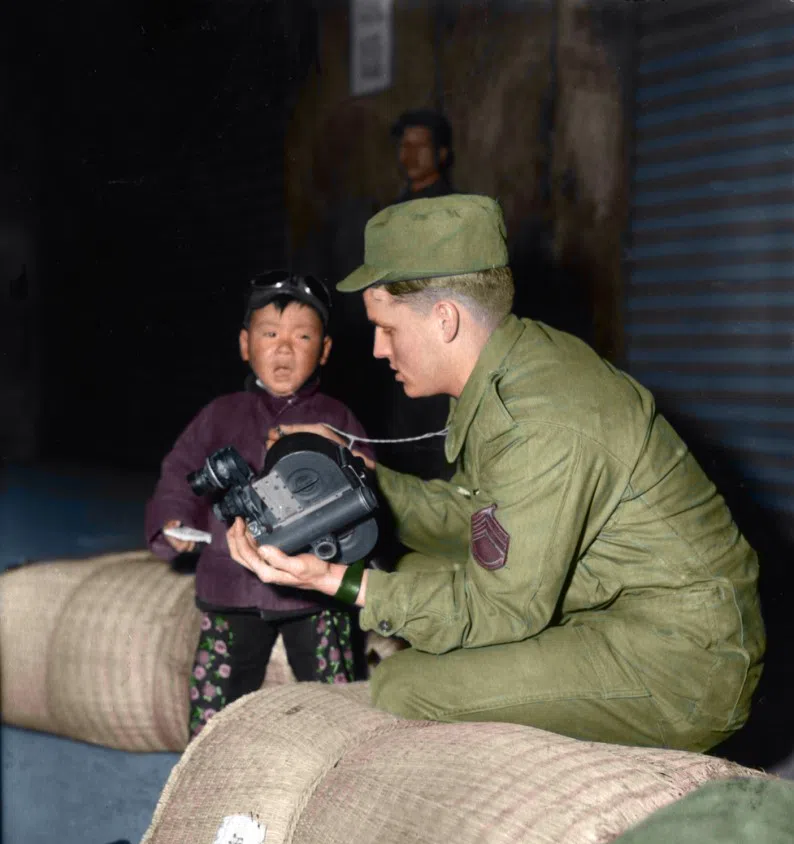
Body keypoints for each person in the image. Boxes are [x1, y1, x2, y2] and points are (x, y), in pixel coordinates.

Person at [225, 196, 766, 754]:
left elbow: (501, 609)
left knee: (404, 685)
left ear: (445, 319)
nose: (378, 349)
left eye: (386, 327)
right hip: (617, 601)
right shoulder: (517, 358)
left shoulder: (540, 421)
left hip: (682, 660)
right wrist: (363, 477)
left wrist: (334, 581)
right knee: (412, 568)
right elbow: (478, 517)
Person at [145, 272, 373, 739]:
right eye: (270, 334)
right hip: (233, 584)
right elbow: (180, 473)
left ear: (325, 349)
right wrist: (173, 522)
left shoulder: (339, 420)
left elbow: (369, 493)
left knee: (336, 695)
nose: (285, 349)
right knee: (215, 703)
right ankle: (207, 767)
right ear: (245, 344)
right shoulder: (220, 414)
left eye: (302, 336)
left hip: (314, 584)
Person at [385, 108, 457, 479]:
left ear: (442, 154)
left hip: (439, 346)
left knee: (437, 452)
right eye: (404, 145)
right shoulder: (392, 213)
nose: (410, 154)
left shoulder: (452, 211)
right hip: (397, 348)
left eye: (421, 146)